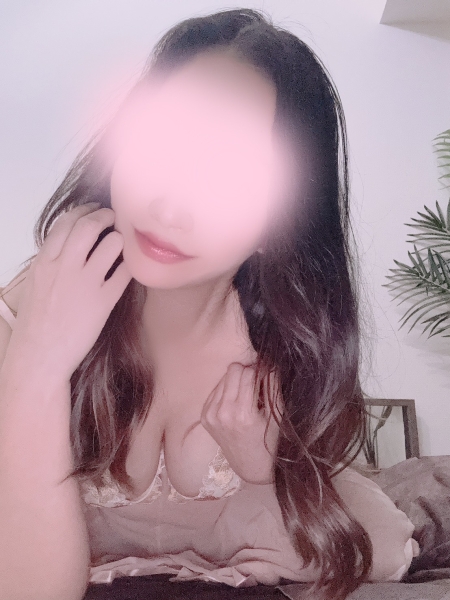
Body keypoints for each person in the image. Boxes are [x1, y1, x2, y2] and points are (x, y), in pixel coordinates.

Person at [0, 8, 419, 600]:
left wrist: (266, 474)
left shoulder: (280, 352)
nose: (170, 207)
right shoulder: (39, 298)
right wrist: (38, 363)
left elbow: (378, 548)